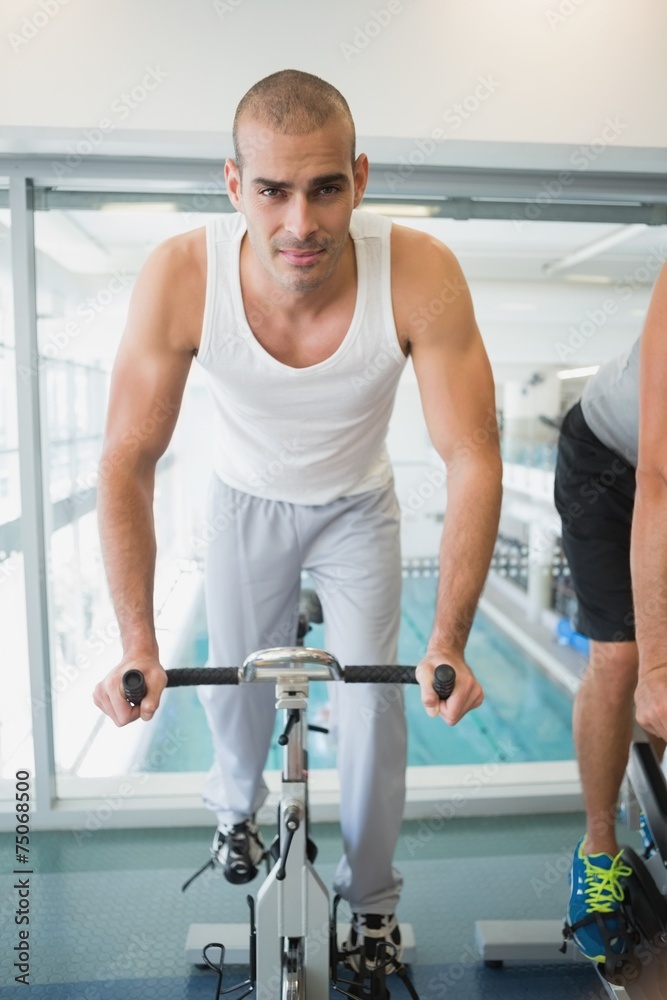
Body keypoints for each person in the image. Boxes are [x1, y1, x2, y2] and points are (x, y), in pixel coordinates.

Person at [92, 69, 502, 977]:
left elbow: (471, 454)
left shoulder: (421, 273)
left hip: (358, 505)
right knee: (231, 692)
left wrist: (451, 637)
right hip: (243, 501)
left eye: (325, 189)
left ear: (358, 176)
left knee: (374, 713)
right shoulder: (183, 275)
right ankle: (233, 813)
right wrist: (136, 642)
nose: (300, 224)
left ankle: (374, 906)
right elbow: (126, 458)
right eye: (272, 191)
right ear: (234, 185)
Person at [555, 261, 667, 965]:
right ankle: (598, 853)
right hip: (612, 458)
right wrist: (656, 665)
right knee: (623, 659)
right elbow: (657, 479)